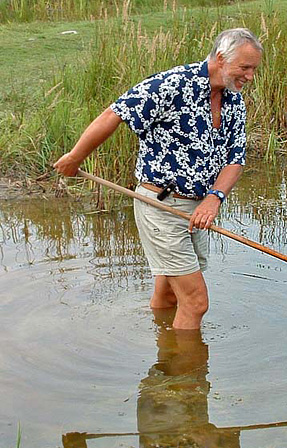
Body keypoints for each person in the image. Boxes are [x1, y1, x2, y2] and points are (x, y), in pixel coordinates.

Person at [54, 28, 263, 330]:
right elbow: (115, 113)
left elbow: (235, 159)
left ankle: (163, 358)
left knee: (169, 296)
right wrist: (75, 158)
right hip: (160, 207)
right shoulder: (173, 84)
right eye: (245, 68)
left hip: (197, 210)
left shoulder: (233, 100)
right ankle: (184, 373)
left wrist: (213, 198)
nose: (250, 76)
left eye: (254, 69)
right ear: (220, 58)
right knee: (196, 302)